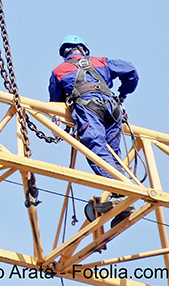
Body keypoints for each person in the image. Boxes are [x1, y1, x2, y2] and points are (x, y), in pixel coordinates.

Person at [49, 35, 139, 226]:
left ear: (64, 53)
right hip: (112, 108)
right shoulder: (101, 61)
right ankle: (122, 204)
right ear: (83, 49)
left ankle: (121, 192)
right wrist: (122, 95)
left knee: (95, 149)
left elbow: (54, 104)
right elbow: (130, 70)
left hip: (88, 108)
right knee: (113, 155)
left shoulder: (59, 71)